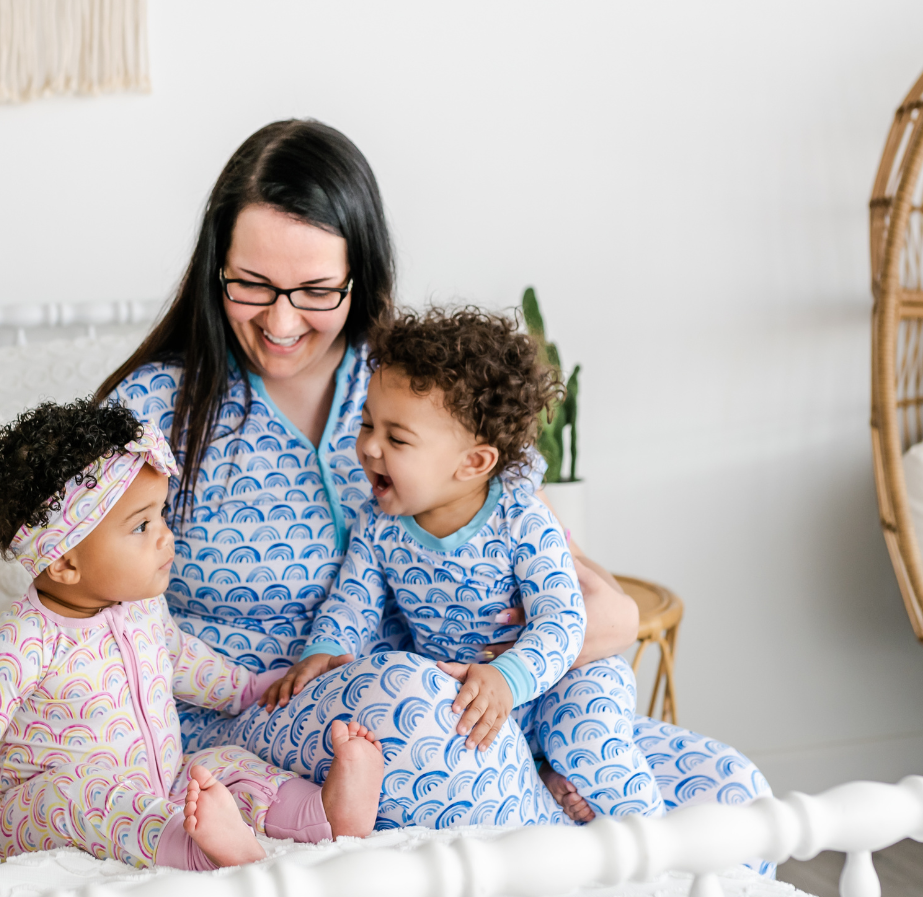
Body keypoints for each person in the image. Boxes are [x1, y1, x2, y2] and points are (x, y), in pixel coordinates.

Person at [100, 119, 768, 827]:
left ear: (361, 278)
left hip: (474, 704)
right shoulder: (153, 413)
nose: (283, 321)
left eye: (316, 291)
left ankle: (577, 813)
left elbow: (579, 589)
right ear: (216, 269)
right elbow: (85, 611)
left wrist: (548, 646)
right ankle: (590, 839)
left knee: (733, 793)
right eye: (253, 286)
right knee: (419, 712)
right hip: (265, 721)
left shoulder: (417, 386)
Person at [0, 402, 385, 874]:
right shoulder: (17, 646)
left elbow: (181, 659)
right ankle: (199, 848)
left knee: (221, 764)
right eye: (141, 525)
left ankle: (322, 812)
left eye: (159, 515)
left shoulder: (141, 608)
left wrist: (249, 689)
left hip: (157, 781)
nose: (165, 536)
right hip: (30, 808)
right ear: (65, 562)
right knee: (84, 796)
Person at [270, 307, 663, 821]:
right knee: (471, 754)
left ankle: (660, 849)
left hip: (556, 680)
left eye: (396, 438)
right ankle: (548, 785)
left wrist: (509, 678)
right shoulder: (380, 525)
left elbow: (563, 621)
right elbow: (352, 604)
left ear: (473, 463)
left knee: (591, 738)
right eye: (367, 423)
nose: (367, 446)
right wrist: (324, 652)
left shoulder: (522, 519)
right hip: (473, 699)